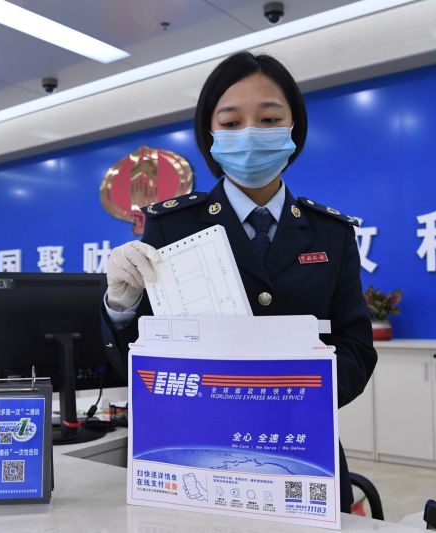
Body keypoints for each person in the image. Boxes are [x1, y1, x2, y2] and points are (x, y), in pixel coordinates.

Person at [100, 51, 377, 512]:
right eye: (230, 123)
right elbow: (132, 359)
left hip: (299, 455)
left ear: (294, 129)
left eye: (270, 119)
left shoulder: (331, 233)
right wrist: (120, 304)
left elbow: (357, 346)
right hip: (191, 457)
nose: (250, 134)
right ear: (209, 134)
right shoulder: (172, 226)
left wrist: (295, 395)